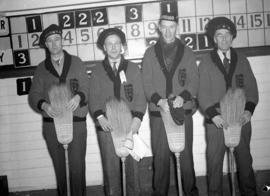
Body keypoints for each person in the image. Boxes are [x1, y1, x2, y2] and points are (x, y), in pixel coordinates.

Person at [198, 17, 259, 196]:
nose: (223, 39)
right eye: (219, 35)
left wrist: (249, 110)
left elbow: (252, 89)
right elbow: (202, 93)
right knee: (214, 163)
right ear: (214, 39)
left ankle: (250, 193)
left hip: (240, 119)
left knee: (245, 161)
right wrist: (212, 115)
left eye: (227, 35)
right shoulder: (206, 62)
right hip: (216, 120)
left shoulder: (242, 59)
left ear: (232, 37)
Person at [142, 12, 199, 196]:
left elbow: (194, 80)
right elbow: (146, 82)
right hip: (159, 112)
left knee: (186, 157)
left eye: (171, 27)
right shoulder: (150, 53)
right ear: (159, 27)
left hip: (182, 110)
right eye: (164, 27)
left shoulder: (188, 52)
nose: (168, 31)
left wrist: (184, 96)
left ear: (177, 27)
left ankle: (191, 192)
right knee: (160, 158)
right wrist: (159, 100)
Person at [28, 24, 89, 196]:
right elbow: (34, 95)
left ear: (62, 40)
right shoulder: (41, 68)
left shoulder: (76, 62)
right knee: (60, 168)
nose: (54, 44)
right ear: (46, 45)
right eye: (49, 41)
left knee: (77, 167)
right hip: (51, 124)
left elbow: (87, 86)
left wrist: (79, 97)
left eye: (57, 39)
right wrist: (44, 105)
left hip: (76, 122)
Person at [88, 28, 147, 196]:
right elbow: (93, 98)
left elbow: (140, 98)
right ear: (104, 47)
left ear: (122, 46)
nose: (113, 47)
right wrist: (100, 117)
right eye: (109, 44)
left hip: (130, 126)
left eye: (117, 43)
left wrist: (136, 122)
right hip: (107, 128)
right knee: (111, 170)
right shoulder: (97, 71)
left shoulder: (133, 69)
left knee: (132, 170)